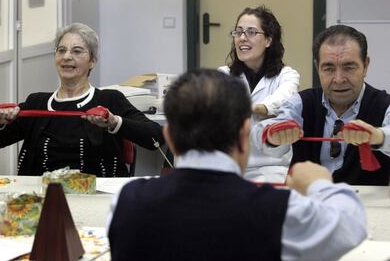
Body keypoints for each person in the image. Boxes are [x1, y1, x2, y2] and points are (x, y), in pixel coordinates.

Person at [107, 69, 366, 261]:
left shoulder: (125, 202)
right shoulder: (280, 212)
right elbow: (350, 225)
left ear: (170, 138)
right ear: (244, 135)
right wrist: (319, 183)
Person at [0, 22, 164, 177]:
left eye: (77, 51)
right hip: (40, 198)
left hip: (96, 197)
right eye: (61, 50)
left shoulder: (109, 100)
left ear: (92, 61)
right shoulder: (37, 103)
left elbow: (155, 137)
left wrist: (114, 122)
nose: (67, 57)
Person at [252, 24, 390, 185]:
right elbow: (261, 133)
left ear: (365, 65)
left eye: (349, 67)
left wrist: (378, 136)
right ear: (317, 67)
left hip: (369, 207)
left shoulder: (383, 104)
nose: (339, 79)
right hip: (308, 202)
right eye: (328, 68)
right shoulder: (301, 103)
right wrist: (272, 136)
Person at [218, 6, 299, 182]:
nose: (241, 38)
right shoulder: (223, 75)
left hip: (272, 167)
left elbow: (283, 98)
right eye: (238, 32)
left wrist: (254, 107)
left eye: (251, 32)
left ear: (269, 40)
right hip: (230, 166)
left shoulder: (286, 75)